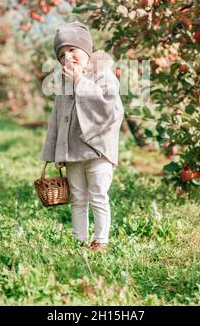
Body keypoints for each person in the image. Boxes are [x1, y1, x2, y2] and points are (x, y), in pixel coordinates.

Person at [39, 21, 124, 252]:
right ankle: (79, 240)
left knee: (98, 195)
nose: (68, 57)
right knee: (78, 198)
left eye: (73, 50)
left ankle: (101, 240)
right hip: (73, 152)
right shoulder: (64, 84)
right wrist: (53, 151)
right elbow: (57, 120)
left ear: (86, 52)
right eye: (62, 54)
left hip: (98, 152)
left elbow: (109, 109)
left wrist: (80, 81)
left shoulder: (104, 76)